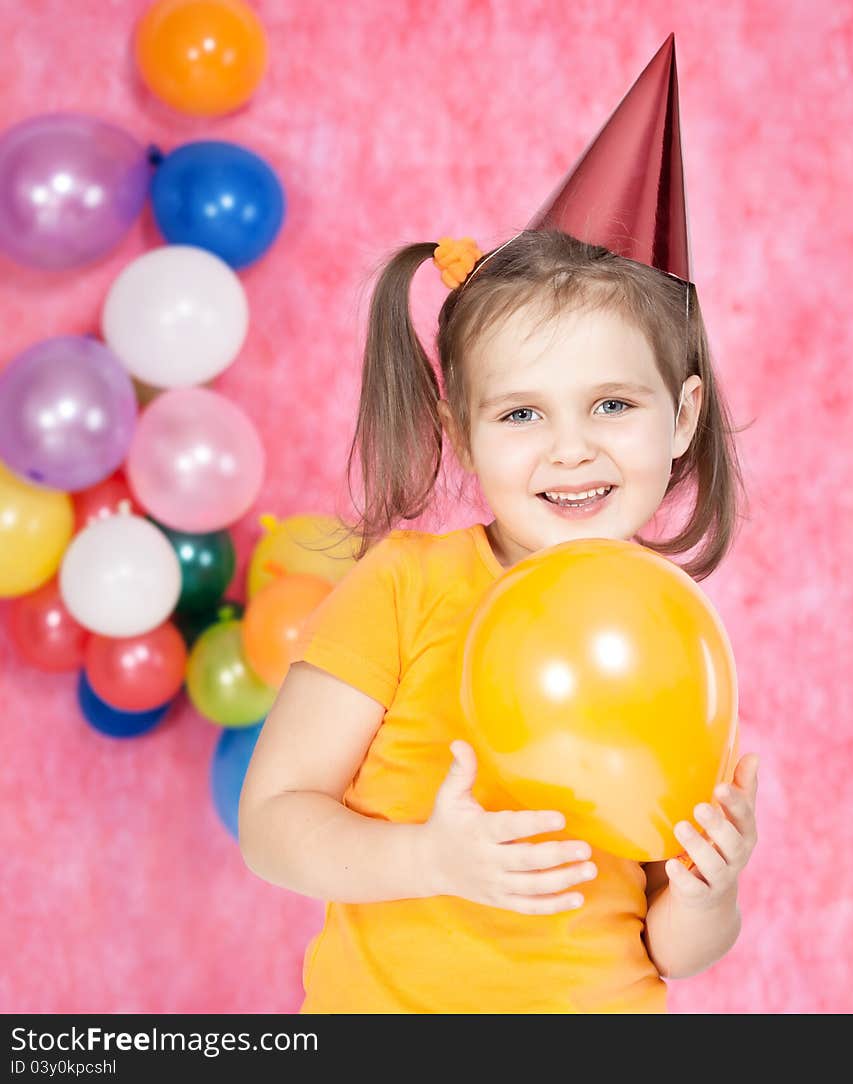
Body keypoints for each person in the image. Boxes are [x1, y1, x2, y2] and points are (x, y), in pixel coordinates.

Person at [238, 35, 760, 1014]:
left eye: (612, 404)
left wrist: (709, 886)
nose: (570, 450)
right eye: (523, 413)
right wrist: (428, 856)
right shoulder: (406, 586)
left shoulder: (673, 639)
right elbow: (271, 822)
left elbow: (678, 948)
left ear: (681, 417)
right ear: (463, 438)